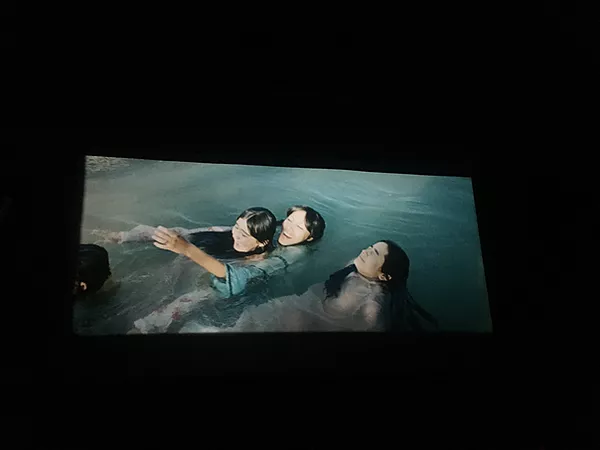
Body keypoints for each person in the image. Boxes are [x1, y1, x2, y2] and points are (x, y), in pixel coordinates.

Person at [128, 205, 326, 333]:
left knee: (197, 296)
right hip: (248, 254)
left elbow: (243, 277)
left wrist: (187, 249)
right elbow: (247, 228)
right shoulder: (281, 230)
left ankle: (146, 327)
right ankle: (125, 236)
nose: (288, 228)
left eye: (298, 228)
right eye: (289, 220)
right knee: (205, 234)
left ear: (309, 237)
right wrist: (237, 230)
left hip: (251, 276)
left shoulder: (293, 254)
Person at [179, 240, 438, 333]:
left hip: (297, 322)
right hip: (294, 308)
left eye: (373, 254)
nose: (365, 251)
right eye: (370, 247)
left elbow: (375, 326)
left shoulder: (373, 301)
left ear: (384, 277)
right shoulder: (357, 266)